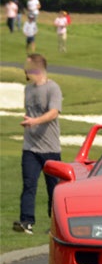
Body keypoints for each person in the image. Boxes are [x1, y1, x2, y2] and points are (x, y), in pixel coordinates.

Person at [14, 54, 62, 235]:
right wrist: (30, 122)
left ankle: (56, 226)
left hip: (50, 148)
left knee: (54, 190)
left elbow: (53, 113)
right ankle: (26, 221)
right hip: (30, 148)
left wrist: (34, 121)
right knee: (29, 184)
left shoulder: (53, 88)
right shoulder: (28, 89)